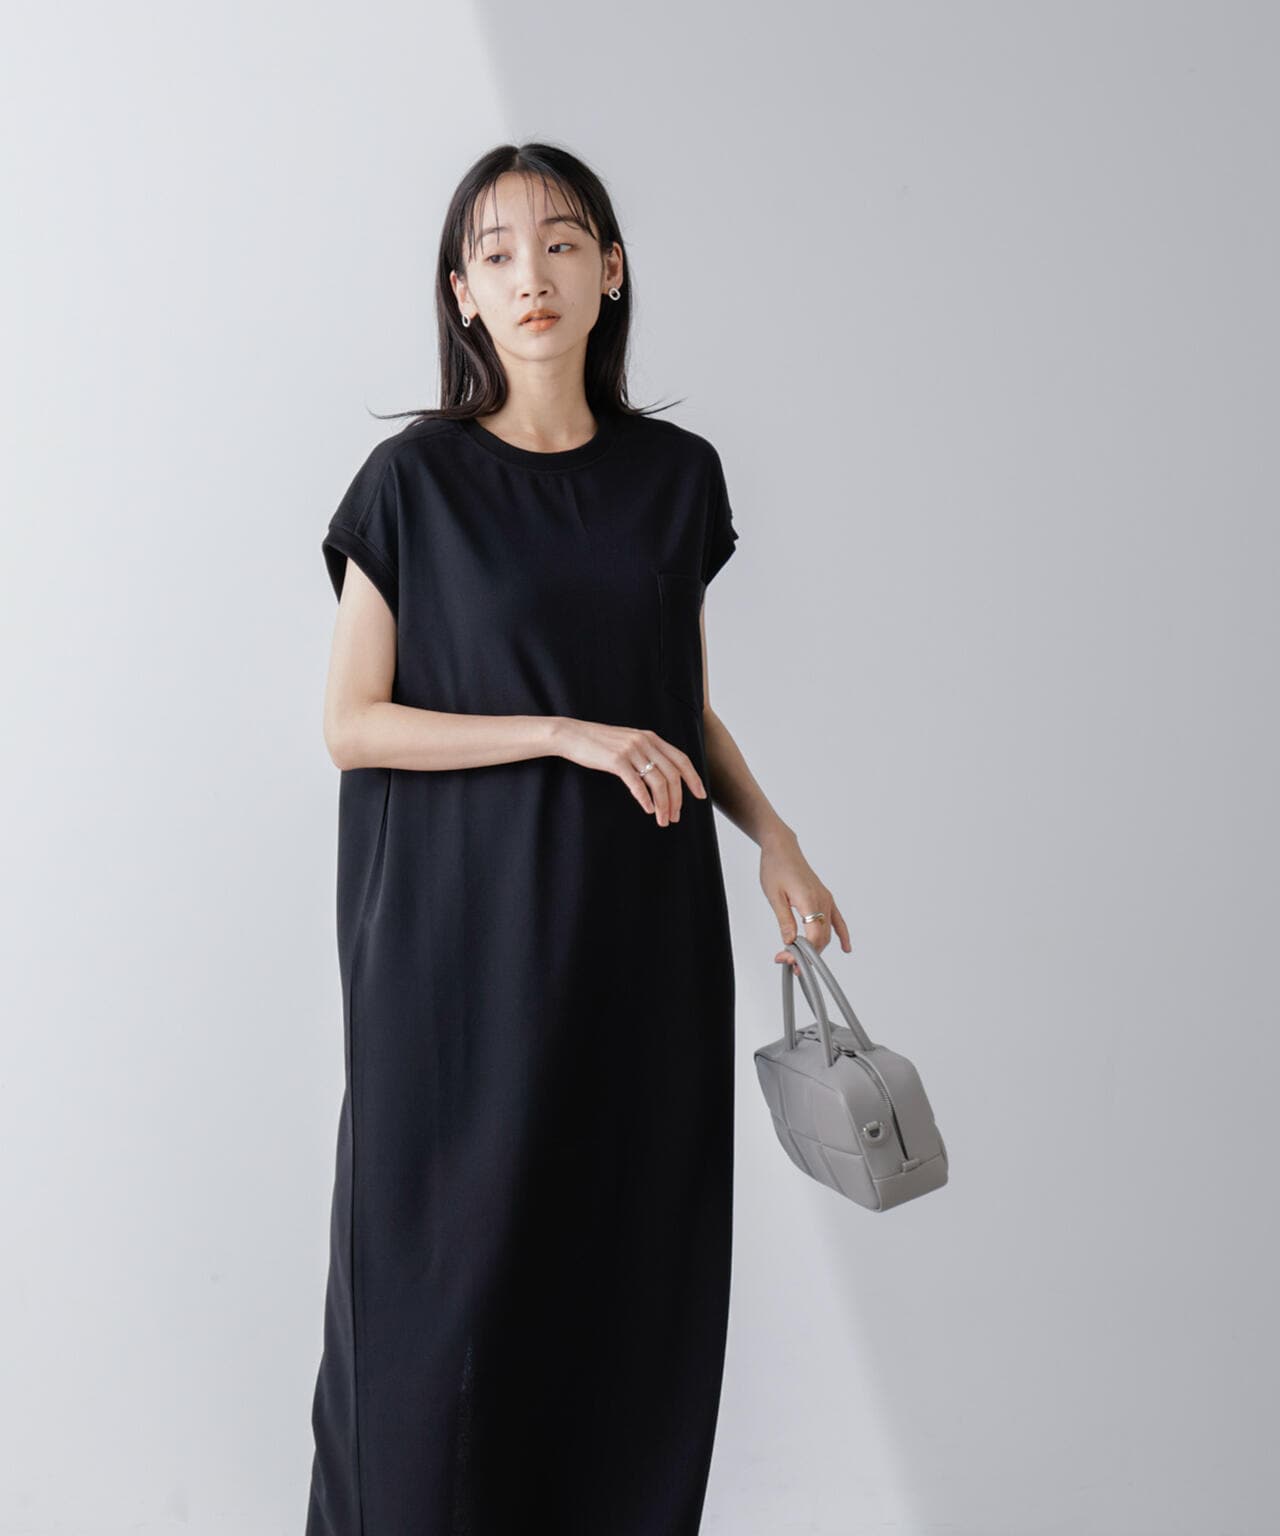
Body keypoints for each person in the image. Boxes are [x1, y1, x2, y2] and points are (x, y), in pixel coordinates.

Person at [305, 142, 851, 1536]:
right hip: (457, 946)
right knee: (442, 1300)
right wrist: (560, 732)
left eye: (559, 243)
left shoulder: (675, 478)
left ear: (610, 269)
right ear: (461, 294)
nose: (529, 275)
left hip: (638, 937)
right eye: (495, 254)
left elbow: (679, 704)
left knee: (624, 1287)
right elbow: (353, 724)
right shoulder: (412, 484)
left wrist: (775, 837)